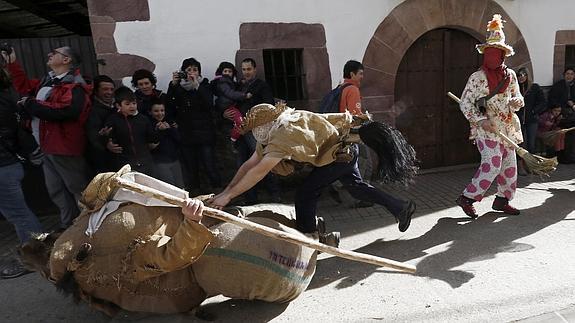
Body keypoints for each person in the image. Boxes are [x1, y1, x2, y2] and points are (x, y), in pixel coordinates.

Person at [210, 103, 417, 246]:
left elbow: (259, 171)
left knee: (306, 193)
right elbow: (249, 164)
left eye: (256, 129)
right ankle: (401, 208)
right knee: (357, 189)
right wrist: (226, 192)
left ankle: (308, 237)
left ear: (265, 125)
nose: (255, 134)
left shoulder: (284, 133)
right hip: (341, 151)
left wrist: (228, 197)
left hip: (339, 155)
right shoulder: (272, 132)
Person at [18, 168, 214, 316]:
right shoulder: (106, 239)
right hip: (182, 288)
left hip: (179, 266)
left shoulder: (88, 227)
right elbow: (170, 256)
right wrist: (192, 222)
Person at [3, 45, 91, 229]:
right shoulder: (48, 81)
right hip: (46, 145)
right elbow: (24, 86)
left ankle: (89, 226)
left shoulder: (75, 85)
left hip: (65, 146)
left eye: (56, 53)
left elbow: (67, 111)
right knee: (56, 190)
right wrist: (12, 62)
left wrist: (32, 105)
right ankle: (69, 226)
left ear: (66, 60)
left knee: (78, 189)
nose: (50, 54)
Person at [455, 14, 524, 219]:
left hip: (507, 127)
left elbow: (518, 96)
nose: (492, 56)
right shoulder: (477, 78)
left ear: (503, 55)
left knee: (510, 166)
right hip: (486, 129)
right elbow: (465, 103)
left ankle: (503, 200)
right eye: (489, 53)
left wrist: (516, 102)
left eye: (496, 53)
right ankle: (467, 198)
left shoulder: (510, 76)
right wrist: (480, 120)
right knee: (492, 164)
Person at [0, 66, 43, 279]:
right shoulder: (7, 99)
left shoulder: (2, 102)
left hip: (4, 167)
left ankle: (36, 255)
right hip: (9, 164)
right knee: (19, 213)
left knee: (19, 213)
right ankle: (37, 250)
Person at [168, 57, 221, 193]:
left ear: (199, 72)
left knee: (210, 166)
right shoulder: (178, 87)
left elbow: (209, 103)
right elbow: (169, 106)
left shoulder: (204, 85)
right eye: (188, 70)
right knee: (191, 167)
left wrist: (197, 86)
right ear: (183, 72)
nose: (192, 73)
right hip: (186, 134)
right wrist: (173, 85)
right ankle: (196, 195)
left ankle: (219, 191)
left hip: (205, 134)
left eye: (195, 70)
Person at [233, 58, 280, 204]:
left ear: (255, 70)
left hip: (257, 133)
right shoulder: (239, 87)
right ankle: (250, 199)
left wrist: (250, 124)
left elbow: (268, 109)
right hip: (241, 134)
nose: (246, 72)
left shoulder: (262, 86)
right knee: (243, 165)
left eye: (249, 69)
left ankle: (275, 196)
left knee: (263, 163)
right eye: (244, 69)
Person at [104, 86, 159, 175]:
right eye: (127, 104)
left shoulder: (143, 119)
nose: (132, 106)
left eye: (134, 103)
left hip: (145, 162)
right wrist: (106, 140)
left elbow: (152, 138)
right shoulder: (113, 120)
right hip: (124, 164)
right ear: (118, 105)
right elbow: (107, 139)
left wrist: (158, 131)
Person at [211, 61, 252, 143]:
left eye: (229, 71)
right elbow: (230, 93)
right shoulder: (222, 82)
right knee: (241, 122)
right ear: (221, 72)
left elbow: (233, 87)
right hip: (227, 107)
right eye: (225, 71)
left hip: (229, 106)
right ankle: (232, 139)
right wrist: (244, 96)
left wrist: (240, 83)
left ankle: (233, 139)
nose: (227, 73)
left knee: (240, 123)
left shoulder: (228, 82)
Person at [85, 75, 116, 174]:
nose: (109, 92)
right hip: (103, 161)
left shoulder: (117, 107)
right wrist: (106, 144)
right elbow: (93, 137)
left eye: (111, 89)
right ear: (96, 91)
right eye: (105, 89)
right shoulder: (92, 111)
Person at [149, 98, 184, 187]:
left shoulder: (170, 123)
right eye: (156, 111)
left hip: (174, 160)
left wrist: (170, 129)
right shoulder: (149, 126)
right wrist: (159, 131)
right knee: (170, 188)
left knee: (181, 187)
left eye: (162, 110)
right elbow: (152, 144)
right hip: (160, 162)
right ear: (151, 112)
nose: (160, 113)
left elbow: (179, 139)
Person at [548, 67, 575, 163]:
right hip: (561, 116)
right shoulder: (558, 86)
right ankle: (562, 158)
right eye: (568, 74)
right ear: (564, 75)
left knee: (571, 138)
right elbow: (552, 99)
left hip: (572, 116)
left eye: (572, 74)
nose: (569, 76)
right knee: (561, 137)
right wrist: (559, 109)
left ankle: (571, 157)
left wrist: (573, 105)